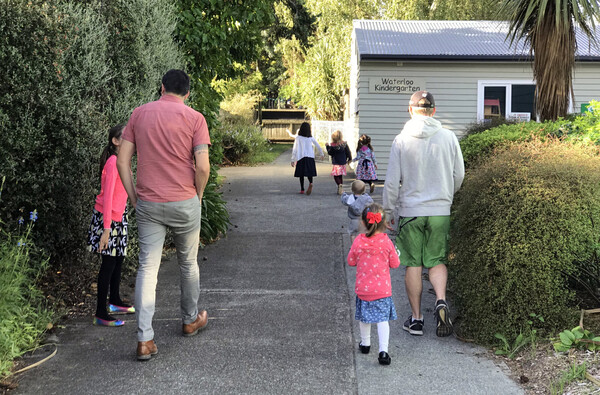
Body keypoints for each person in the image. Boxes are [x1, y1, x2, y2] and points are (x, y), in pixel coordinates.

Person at [117, 69, 211, 361]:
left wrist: (134, 197)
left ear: (161, 87)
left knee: (147, 268)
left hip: (148, 202)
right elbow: (203, 167)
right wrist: (198, 195)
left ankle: (145, 339)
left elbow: (122, 160)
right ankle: (189, 319)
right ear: (188, 93)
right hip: (185, 201)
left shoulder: (139, 115)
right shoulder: (195, 119)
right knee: (188, 263)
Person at [382, 90, 464, 337]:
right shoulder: (449, 137)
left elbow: (391, 181)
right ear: (434, 112)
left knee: (413, 263)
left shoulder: (401, 140)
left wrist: (387, 212)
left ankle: (416, 319)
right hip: (440, 211)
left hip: (411, 212)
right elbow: (459, 175)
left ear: (410, 110)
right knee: (437, 259)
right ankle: (440, 300)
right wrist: (447, 195)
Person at [87, 124, 133, 327]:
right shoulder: (113, 162)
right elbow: (106, 199)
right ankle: (100, 313)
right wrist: (106, 229)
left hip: (118, 217)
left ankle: (114, 301)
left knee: (119, 259)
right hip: (108, 220)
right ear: (115, 141)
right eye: (125, 135)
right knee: (108, 264)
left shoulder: (123, 161)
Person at [347, 203, 400, 365]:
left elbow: (351, 261)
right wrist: (396, 254)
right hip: (382, 290)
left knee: (365, 318)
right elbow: (395, 264)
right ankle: (383, 351)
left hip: (364, 290)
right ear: (384, 223)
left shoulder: (358, 241)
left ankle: (365, 344)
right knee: (382, 320)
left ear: (363, 222)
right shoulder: (386, 242)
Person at [291, 122, 324, 195]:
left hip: (301, 158)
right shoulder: (311, 138)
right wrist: (322, 154)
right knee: (310, 173)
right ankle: (311, 182)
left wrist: (292, 160)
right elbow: (318, 146)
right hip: (310, 157)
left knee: (301, 174)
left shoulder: (298, 138)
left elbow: (295, 149)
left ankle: (302, 189)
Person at [326, 130, 352, 195]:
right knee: (340, 176)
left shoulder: (333, 145)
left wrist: (327, 146)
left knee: (336, 176)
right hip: (343, 162)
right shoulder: (344, 144)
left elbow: (330, 153)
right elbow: (348, 152)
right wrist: (349, 158)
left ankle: (339, 184)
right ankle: (341, 188)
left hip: (336, 163)